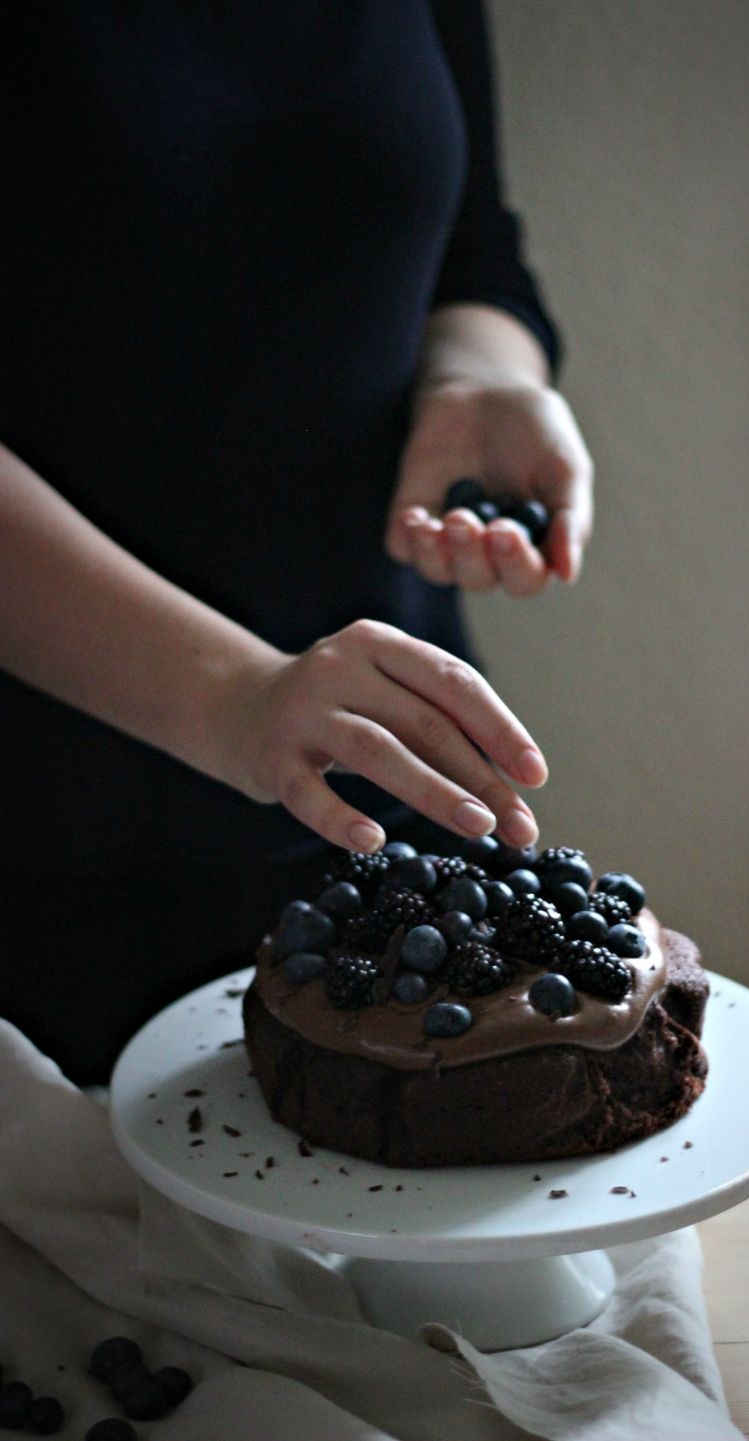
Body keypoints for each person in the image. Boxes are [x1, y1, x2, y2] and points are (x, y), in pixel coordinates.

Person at [0, 1, 593, 1085]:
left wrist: (481, 379)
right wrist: (237, 697)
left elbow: (475, 257)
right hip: (49, 858)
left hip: (401, 804)